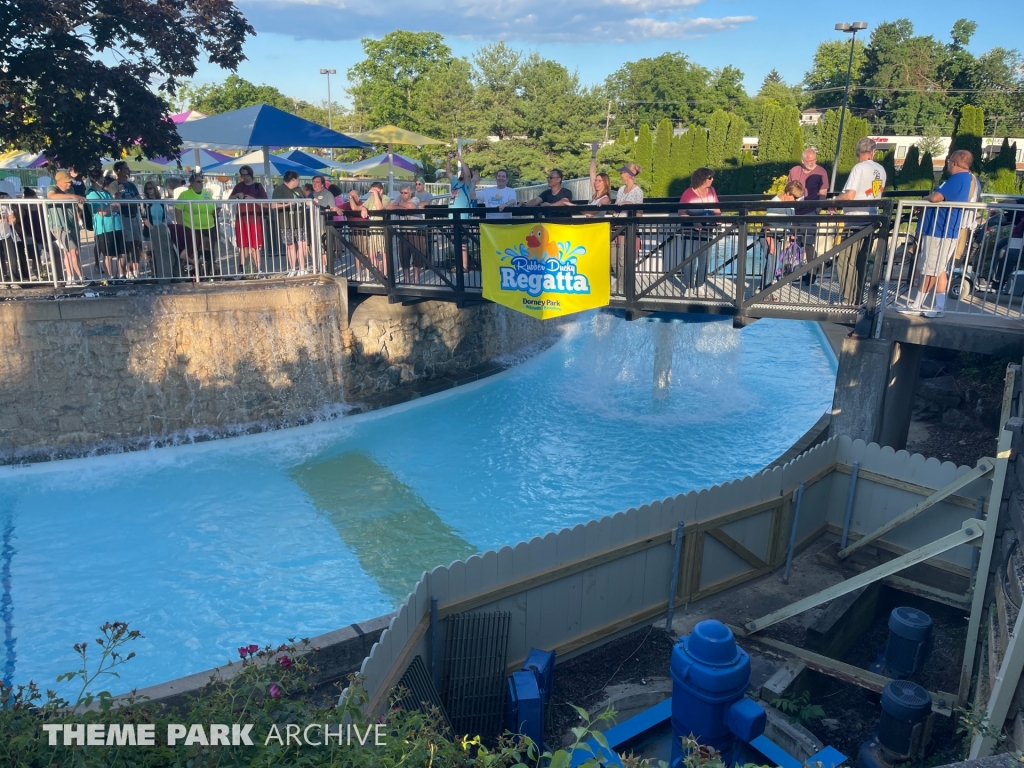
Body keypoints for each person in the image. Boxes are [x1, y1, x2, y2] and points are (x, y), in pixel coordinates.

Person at [902, 150, 980, 317]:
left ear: (954, 162)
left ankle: (917, 305)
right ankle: (939, 307)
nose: (947, 163)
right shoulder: (966, 178)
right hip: (945, 230)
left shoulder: (959, 178)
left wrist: (924, 200)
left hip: (940, 230)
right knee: (940, 269)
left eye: (949, 160)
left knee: (931, 269)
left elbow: (936, 198)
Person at [833, 137, 886, 305]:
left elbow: (850, 195)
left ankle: (849, 298)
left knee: (845, 259)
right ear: (873, 151)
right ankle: (859, 297)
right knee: (861, 260)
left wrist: (835, 201)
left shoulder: (859, 168)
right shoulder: (881, 169)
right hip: (872, 218)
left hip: (855, 219)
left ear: (858, 152)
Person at [678, 167, 720, 291]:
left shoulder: (712, 191)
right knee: (689, 259)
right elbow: (681, 212)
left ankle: (700, 284)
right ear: (702, 179)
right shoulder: (688, 193)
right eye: (710, 178)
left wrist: (718, 218)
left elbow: (717, 209)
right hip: (690, 230)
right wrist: (694, 222)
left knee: (705, 259)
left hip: (707, 229)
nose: (712, 180)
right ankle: (689, 286)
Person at [762, 180, 806, 292]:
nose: (796, 201)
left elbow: (789, 221)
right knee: (772, 264)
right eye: (795, 198)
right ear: (788, 193)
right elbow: (767, 224)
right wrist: (771, 244)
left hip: (778, 235)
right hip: (770, 236)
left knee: (774, 264)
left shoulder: (789, 204)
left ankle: (764, 290)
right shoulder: (776, 204)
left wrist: (791, 233)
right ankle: (765, 292)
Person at [176, 172, 219, 278]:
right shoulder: (185, 195)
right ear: (192, 182)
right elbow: (178, 211)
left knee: (208, 253)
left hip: (208, 228)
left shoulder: (207, 194)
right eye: (198, 182)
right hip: (192, 229)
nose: (201, 184)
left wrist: (216, 212)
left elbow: (212, 210)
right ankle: (194, 275)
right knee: (193, 254)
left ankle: (209, 275)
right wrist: (181, 228)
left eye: (202, 181)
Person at [47, 171, 86, 285]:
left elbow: (75, 207)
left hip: (71, 224)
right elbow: (51, 196)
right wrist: (72, 196)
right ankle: (81, 278)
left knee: (71, 253)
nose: (69, 184)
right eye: (66, 182)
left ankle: (70, 279)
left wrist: (79, 218)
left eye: (70, 182)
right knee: (72, 252)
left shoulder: (71, 189)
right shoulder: (52, 187)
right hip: (59, 225)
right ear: (59, 181)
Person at [87, 172, 126, 280]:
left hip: (117, 225)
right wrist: (112, 206)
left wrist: (112, 206)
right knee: (108, 254)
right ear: (94, 179)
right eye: (99, 178)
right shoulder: (91, 194)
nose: (101, 180)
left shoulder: (106, 193)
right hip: (104, 227)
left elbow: (117, 207)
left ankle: (121, 276)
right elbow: (102, 212)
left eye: (102, 177)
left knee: (122, 252)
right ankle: (110, 278)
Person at [228, 165, 267, 275]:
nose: (244, 177)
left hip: (255, 219)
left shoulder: (258, 187)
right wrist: (236, 195)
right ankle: (241, 270)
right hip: (241, 219)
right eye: (242, 175)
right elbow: (229, 198)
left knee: (255, 246)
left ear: (250, 174)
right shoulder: (239, 186)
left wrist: (253, 200)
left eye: (246, 175)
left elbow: (266, 204)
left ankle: (259, 269)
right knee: (242, 246)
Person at [272, 170, 309, 276]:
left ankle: (302, 268)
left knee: (302, 245)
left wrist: (312, 201)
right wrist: (288, 204)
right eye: (298, 179)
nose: (299, 181)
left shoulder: (298, 189)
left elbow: (305, 201)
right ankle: (293, 268)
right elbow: (273, 206)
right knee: (291, 246)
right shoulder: (279, 189)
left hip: (300, 221)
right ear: (293, 179)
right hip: (286, 222)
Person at [389, 184, 427, 283]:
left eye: (405, 193)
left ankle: (416, 279)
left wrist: (397, 205)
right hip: (403, 231)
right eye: (401, 192)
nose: (403, 195)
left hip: (417, 231)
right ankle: (407, 279)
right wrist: (401, 207)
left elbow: (411, 206)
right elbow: (389, 207)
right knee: (403, 255)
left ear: (410, 194)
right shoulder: (398, 198)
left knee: (418, 255)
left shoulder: (415, 198)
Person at [113, 161, 144, 278]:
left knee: (137, 244)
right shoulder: (114, 184)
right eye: (125, 169)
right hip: (123, 217)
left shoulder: (131, 185)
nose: (128, 171)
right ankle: (126, 270)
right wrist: (131, 202)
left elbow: (138, 199)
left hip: (134, 216)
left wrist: (130, 202)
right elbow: (118, 201)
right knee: (128, 245)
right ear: (118, 171)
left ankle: (136, 270)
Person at [142, 181, 178, 279]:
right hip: (150, 231)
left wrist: (163, 227)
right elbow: (144, 218)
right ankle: (154, 274)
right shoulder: (145, 202)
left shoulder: (161, 201)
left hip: (161, 229)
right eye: (147, 189)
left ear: (155, 189)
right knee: (152, 253)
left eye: (150, 188)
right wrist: (153, 229)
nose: (149, 190)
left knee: (162, 252)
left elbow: (164, 216)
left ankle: (163, 273)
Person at [788, 149, 829, 215]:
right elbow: (788, 191)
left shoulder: (821, 172)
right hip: (793, 212)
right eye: (809, 161)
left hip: (810, 212)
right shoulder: (794, 170)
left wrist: (817, 211)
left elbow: (823, 194)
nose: (812, 163)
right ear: (802, 161)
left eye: (814, 160)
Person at [0, 193, 18, 287]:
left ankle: (13, 280)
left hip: (6, 234)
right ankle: (2, 281)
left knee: (12, 257)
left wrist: (12, 219)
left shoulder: (4, 204)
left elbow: (11, 217)